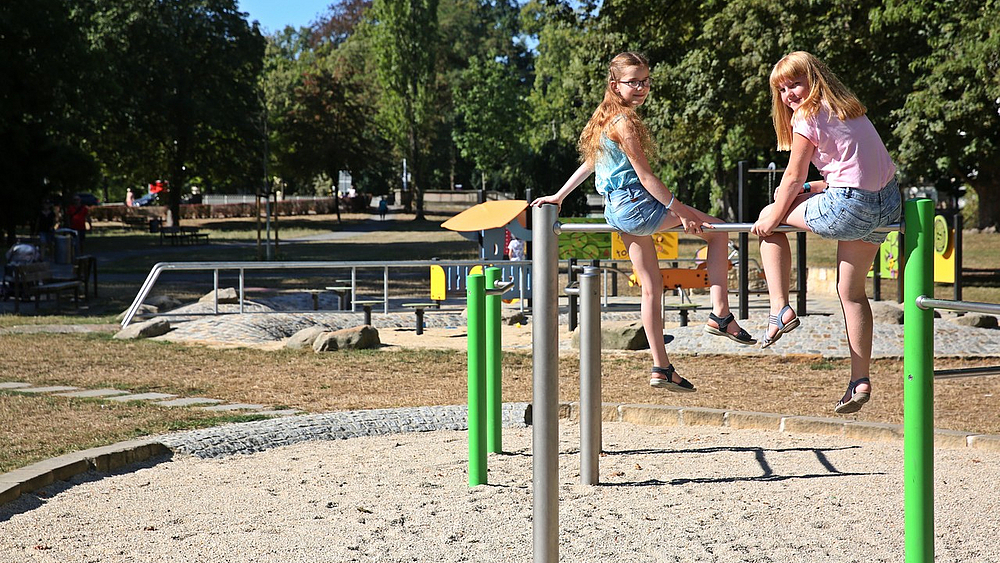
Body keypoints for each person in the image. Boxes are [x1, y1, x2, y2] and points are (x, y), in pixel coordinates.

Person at [530, 51, 754, 393]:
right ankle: (720, 314)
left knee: (651, 287)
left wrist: (559, 196)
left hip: (618, 210)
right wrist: (680, 210)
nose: (641, 88)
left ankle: (661, 367)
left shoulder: (605, 119)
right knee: (718, 232)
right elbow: (646, 178)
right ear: (614, 85)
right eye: (633, 82)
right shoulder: (624, 122)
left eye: (645, 81)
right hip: (636, 206)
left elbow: (591, 164)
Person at [750, 51, 900, 414]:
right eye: (782, 89)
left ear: (814, 80)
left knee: (769, 218)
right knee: (850, 291)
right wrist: (809, 190)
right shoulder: (850, 109)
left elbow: (792, 177)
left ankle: (779, 309)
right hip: (888, 203)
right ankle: (859, 380)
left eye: (795, 84)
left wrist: (774, 215)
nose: (789, 94)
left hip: (850, 207)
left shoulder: (807, 114)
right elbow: (851, 169)